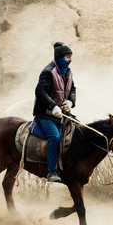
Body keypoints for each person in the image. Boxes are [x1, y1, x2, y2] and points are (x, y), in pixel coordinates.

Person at [33, 42, 76, 183]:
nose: (69, 59)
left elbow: (73, 89)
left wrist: (71, 102)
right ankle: (52, 171)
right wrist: (53, 106)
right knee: (55, 137)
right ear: (59, 57)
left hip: (62, 114)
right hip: (45, 114)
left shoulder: (68, 72)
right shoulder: (48, 71)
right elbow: (40, 91)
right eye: (67, 56)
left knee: (79, 130)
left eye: (71, 56)